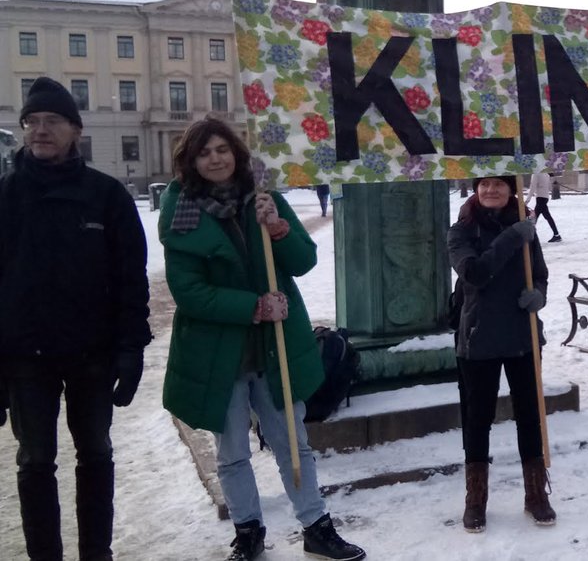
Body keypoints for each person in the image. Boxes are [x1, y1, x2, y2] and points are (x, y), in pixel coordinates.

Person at [158, 117, 364, 561]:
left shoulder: (263, 198)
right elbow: (189, 291)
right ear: (191, 161)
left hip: (275, 347)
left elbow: (304, 261)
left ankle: (316, 526)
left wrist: (278, 229)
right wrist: (252, 307)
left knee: (293, 443)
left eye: (222, 149)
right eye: (204, 152)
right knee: (232, 451)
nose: (215, 159)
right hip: (220, 352)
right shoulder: (183, 208)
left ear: (236, 153)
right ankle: (248, 532)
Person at [0, 76, 151, 561]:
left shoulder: (106, 196)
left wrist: (130, 350)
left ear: (75, 130)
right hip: (25, 358)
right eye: (32, 122)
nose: (40, 130)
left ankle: (96, 555)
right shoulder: (4, 197)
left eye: (52, 121)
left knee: (96, 456)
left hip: (93, 355)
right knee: (35, 460)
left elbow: (132, 280)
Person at [447, 175, 556, 532]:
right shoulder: (461, 232)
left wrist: (538, 295)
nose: (491, 190)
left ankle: (535, 493)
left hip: (522, 337)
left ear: (512, 189)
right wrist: (512, 237)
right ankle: (475, 498)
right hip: (478, 339)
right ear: (476, 189)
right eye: (484, 184)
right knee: (477, 420)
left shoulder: (525, 228)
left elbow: (539, 274)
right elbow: (475, 274)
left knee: (530, 415)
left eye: (499, 184)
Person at [526, 171, 561, 242]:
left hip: (540, 198)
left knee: (534, 218)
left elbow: (532, 187)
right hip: (545, 197)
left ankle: (528, 237)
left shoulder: (536, 174)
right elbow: (549, 187)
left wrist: (527, 201)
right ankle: (556, 235)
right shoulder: (546, 174)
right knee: (547, 217)